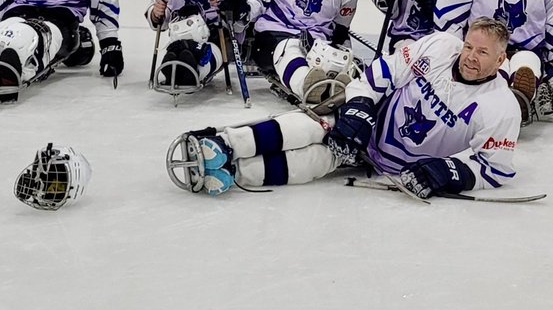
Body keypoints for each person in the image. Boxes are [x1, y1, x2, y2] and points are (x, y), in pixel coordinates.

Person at [166, 17, 519, 199]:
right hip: (374, 127)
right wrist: (360, 110)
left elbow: (496, 168)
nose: (471, 57)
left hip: (397, 167)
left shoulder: (500, 105)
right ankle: (225, 144)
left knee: (315, 163)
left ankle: (232, 174)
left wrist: (450, 173)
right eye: (470, 46)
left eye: (483, 53)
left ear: (501, 59)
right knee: (309, 127)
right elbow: (381, 74)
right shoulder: (441, 47)